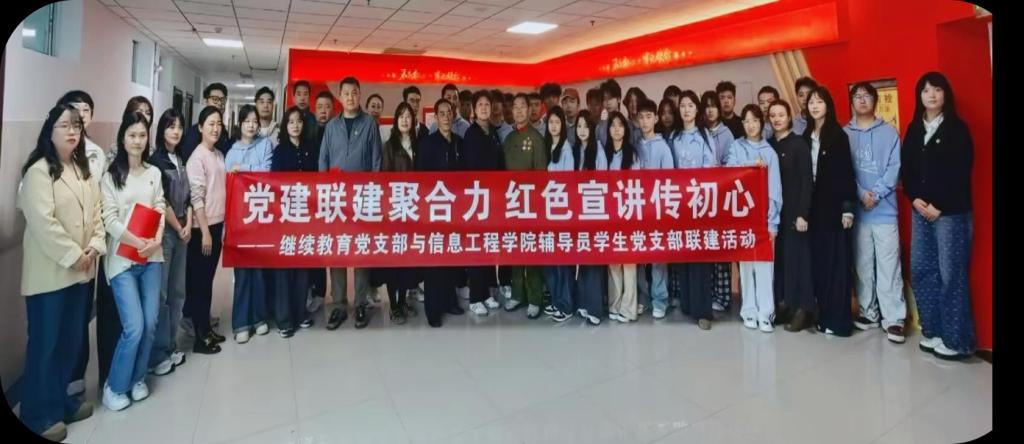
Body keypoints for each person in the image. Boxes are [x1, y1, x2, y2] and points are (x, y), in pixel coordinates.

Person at [17, 104, 104, 441]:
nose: (72, 132)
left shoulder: (82, 170)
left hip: (80, 273)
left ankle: (61, 402)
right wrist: (74, 255)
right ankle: (37, 414)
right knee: (45, 344)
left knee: (70, 341)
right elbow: (43, 224)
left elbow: (96, 213)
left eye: (77, 126)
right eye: (64, 125)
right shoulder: (38, 172)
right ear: (49, 130)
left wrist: (94, 246)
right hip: (50, 276)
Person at [901, 72, 976, 360]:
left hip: (950, 213)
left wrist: (939, 205)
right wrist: (914, 198)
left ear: (946, 94)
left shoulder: (957, 129)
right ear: (919, 96)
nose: (931, 95)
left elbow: (961, 171)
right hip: (920, 210)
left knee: (951, 275)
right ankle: (932, 331)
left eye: (937, 90)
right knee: (921, 270)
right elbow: (907, 169)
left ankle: (957, 341)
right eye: (926, 90)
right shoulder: (914, 128)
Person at [101, 110, 167, 413]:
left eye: (142, 135)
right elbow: (110, 220)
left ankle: (138, 378)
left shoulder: (154, 173)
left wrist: (156, 239)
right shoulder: (111, 176)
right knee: (134, 327)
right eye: (132, 135)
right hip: (122, 261)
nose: (138, 141)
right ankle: (114, 386)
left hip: (152, 257)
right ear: (123, 138)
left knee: (151, 322)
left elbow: (160, 206)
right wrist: (137, 242)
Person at [844, 81, 907, 343]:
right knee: (863, 265)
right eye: (857, 96)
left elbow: (894, 167)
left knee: (889, 265)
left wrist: (876, 194)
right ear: (851, 102)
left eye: (866, 96)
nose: (861, 100)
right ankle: (868, 313)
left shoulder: (889, 132)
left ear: (875, 100)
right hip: (858, 214)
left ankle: (894, 319)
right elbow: (843, 171)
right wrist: (861, 194)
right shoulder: (844, 134)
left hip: (885, 212)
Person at [319, 76, 382, 330]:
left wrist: (374, 195)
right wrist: (324, 193)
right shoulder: (331, 126)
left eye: (354, 93)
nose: (350, 97)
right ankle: (338, 305)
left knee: (361, 250)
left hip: (363, 197)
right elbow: (323, 160)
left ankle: (361, 304)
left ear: (359, 94)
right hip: (336, 198)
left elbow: (376, 161)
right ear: (340, 96)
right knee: (337, 250)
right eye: (346, 93)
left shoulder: (370, 124)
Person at [54, 90, 104, 399]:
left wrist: (93, 246)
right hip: (57, 258)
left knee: (80, 318)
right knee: (53, 325)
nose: (79, 116)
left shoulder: (95, 155)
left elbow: (99, 204)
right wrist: (70, 251)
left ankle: (75, 381)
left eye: (85, 110)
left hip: (88, 253)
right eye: (73, 111)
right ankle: (51, 391)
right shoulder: (45, 160)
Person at [803, 86, 857, 337]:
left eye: (819, 101)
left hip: (834, 209)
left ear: (828, 105)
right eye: (811, 102)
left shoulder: (838, 135)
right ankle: (823, 315)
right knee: (820, 263)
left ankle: (838, 321)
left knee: (837, 264)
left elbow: (846, 173)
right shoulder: (806, 135)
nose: (814, 106)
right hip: (812, 208)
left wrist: (847, 209)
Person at [724, 104, 781, 333]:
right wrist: (751, 166)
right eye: (746, 121)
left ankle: (766, 313)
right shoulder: (736, 146)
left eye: (755, 120)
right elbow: (729, 172)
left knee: (765, 267)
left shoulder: (770, 152)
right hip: (742, 217)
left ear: (761, 123)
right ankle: (748, 310)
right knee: (746, 267)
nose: (750, 125)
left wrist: (772, 222)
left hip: (763, 218)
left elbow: (775, 189)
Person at [224, 104, 274, 343]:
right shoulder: (231, 151)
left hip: (261, 217)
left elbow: (267, 172)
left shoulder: (265, 145)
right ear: (240, 124)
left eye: (255, 121)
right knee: (242, 272)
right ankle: (241, 322)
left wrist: (243, 170)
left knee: (259, 270)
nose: (252, 125)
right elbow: (228, 184)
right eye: (247, 121)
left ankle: (259, 318)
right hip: (239, 219)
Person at [668, 92, 718, 329]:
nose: (686, 110)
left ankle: (703, 311)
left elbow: (711, 168)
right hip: (680, 205)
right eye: (683, 106)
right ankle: (688, 304)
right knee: (684, 256)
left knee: (700, 258)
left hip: (700, 203)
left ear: (697, 109)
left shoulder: (705, 135)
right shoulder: (674, 137)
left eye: (690, 105)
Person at [147, 109, 191, 376]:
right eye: (170, 126)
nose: (176, 131)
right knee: (161, 295)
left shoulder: (180, 158)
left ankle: (172, 345)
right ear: (161, 130)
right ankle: (157, 353)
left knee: (177, 291)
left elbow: (188, 196)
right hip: (165, 233)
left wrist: (188, 224)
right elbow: (161, 200)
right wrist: (178, 227)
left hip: (183, 230)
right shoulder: (156, 161)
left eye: (179, 127)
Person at [415, 98, 465, 327]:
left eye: (449, 113)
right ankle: (433, 309)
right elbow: (420, 178)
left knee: (452, 257)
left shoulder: (459, 143)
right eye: (441, 113)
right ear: (435, 117)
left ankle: (449, 301)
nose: (446, 117)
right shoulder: (428, 143)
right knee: (434, 260)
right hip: (433, 209)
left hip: (455, 209)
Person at [271, 106, 320, 337]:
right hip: (286, 217)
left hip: (307, 217)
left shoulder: (311, 149)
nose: (295, 125)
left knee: (302, 267)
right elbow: (274, 185)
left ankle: (301, 313)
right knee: (284, 270)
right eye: (290, 122)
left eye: (299, 121)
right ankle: (284, 320)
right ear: (285, 125)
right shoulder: (280, 151)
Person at [767, 100, 815, 332]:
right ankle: (784, 305)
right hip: (775, 214)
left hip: (795, 213)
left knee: (799, 261)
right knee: (781, 261)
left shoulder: (799, 144)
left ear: (789, 118)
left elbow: (807, 181)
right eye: (772, 115)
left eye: (781, 115)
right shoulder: (768, 145)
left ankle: (803, 309)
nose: (777, 119)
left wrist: (803, 214)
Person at [458, 91, 506, 317]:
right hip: (476, 198)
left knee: (488, 246)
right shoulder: (471, 134)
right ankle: (476, 297)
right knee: (477, 247)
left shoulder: (493, 133)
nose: (485, 108)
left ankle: (486, 293)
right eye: (480, 104)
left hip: (493, 198)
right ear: (474, 110)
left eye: (488, 104)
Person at [185, 106, 228, 354]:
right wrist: (205, 231)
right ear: (200, 127)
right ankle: (200, 339)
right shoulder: (197, 157)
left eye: (218, 123)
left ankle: (206, 329)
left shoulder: (218, 154)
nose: (215, 128)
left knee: (207, 282)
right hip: (203, 228)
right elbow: (197, 197)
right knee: (199, 284)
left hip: (216, 223)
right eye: (211, 123)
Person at [502, 93, 548, 317]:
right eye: (516, 107)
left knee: (531, 251)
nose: (519, 110)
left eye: (523, 106)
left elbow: (541, 175)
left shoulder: (536, 139)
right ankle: (518, 294)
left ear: (530, 110)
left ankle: (535, 298)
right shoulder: (509, 138)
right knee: (515, 250)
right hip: (511, 202)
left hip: (531, 204)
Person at [596, 111, 639, 323]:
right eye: (612, 125)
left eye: (620, 125)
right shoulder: (603, 153)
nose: (616, 129)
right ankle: (614, 304)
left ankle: (629, 308)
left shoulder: (633, 154)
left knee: (629, 263)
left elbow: (637, 186)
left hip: (628, 213)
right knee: (613, 261)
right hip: (609, 214)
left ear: (625, 129)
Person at [634, 98, 673, 321]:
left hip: (657, 210)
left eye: (649, 116)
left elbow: (669, 183)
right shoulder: (635, 146)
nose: (645, 121)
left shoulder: (663, 147)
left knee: (658, 256)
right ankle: (643, 296)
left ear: (656, 119)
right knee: (639, 254)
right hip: (638, 209)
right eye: (641, 117)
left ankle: (660, 299)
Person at [702, 90, 737, 313]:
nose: (710, 110)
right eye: (706, 106)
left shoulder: (727, 134)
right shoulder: (700, 132)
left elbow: (732, 164)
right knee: (707, 248)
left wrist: (719, 171)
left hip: (721, 197)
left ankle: (724, 297)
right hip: (703, 198)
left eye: (713, 105)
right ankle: (711, 293)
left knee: (721, 248)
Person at [542, 105, 576, 322]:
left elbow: (568, 183)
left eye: (557, 122)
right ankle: (556, 300)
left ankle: (566, 304)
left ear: (563, 125)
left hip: (560, 211)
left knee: (563, 261)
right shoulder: (545, 146)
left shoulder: (566, 149)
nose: (554, 126)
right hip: (545, 211)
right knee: (550, 259)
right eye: (551, 122)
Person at [571, 110, 605, 326]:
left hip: (594, 210)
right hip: (577, 210)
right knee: (581, 258)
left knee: (593, 260)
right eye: (579, 126)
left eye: (586, 126)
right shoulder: (574, 150)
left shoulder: (598, 150)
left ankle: (595, 308)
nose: (582, 130)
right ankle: (583, 302)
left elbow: (603, 183)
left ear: (592, 129)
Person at [306, 90, 334, 315]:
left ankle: (322, 292)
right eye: (320, 107)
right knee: (312, 245)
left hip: (332, 198)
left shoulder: (336, 131)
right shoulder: (307, 132)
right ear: (314, 110)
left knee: (328, 244)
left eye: (327, 107)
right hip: (309, 199)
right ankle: (312, 290)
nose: (323, 111)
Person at [180, 83, 233, 160]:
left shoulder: (223, 132)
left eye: (222, 100)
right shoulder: (194, 133)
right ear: (205, 101)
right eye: (215, 99)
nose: (220, 103)